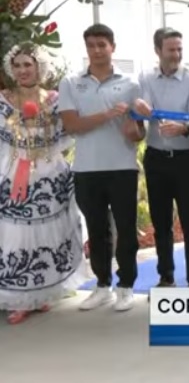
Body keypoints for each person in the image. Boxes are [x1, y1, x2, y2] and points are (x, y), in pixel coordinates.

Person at [58, 23, 145, 312]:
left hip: (122, 167)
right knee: (96, 231)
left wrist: (132, 127)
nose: (96, 51)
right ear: (86, 49)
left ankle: (126, 286)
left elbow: (138, 134)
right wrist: (108, 114)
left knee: (126, 230)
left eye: (102, 45)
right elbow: (73, 125)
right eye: (91, 46)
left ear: (113, 47)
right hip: (86, 169)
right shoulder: (72, 83)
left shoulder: (131, 84)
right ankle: (103, 285)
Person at [0, 43, 89, 324]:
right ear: (10, 69)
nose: (23, 70)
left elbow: (66, 134)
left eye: (28, 64)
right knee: (15, 235)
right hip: (15, 172)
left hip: (50, 175)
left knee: (51, 233)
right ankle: (20, 298)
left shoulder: (54, 100)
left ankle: (41, 296)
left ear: (39, 67)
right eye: (18, 66)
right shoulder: (4, 100)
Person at [136, 28, 189, 288]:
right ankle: (166, 277)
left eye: (179, 49)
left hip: (185, 159)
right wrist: (140, 112)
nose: (176, 54)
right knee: (161, 222)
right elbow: (143, 114)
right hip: (155, 159)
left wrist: (183, 127)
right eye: (171, 49)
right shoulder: (144, 78)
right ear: (158, 51)